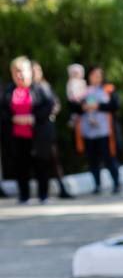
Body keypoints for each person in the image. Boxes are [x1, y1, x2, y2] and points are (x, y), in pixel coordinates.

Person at [1, 56, 56, 204]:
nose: (19, 75)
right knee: (21, 165)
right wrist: (13, 118)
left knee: (41, 163)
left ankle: (43, 195)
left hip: (38, 134)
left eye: (22, 71)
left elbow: (50, 105)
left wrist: (34, 117)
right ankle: (24, 196)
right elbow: (3, 110)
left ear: (30, 72)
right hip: (17, 135)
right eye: (15, 72)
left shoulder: (41, 88)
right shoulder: (8, 90)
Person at [72, 66, 123, 195]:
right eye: (93, 75)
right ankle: (97, 185)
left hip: (105, 131)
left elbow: (115, 105)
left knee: (109, 158)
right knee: (92, 160)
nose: (96, 77)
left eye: (98, 75)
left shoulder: (108, 89)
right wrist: (83, 107)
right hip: (88, 132)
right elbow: (74, 106)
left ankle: (116, 183)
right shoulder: (84, 90)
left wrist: (98, 106)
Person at [32, 62, 73, 199]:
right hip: (35, 129)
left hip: (48, 128)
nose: (36, 73)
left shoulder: (45, 86)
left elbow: (55, 103)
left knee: (54, 159)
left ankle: (61, 188)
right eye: (33, 70)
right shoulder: (29, 89)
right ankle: (42, 192)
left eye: (38, 70)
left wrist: (53, 110)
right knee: (40, 161)